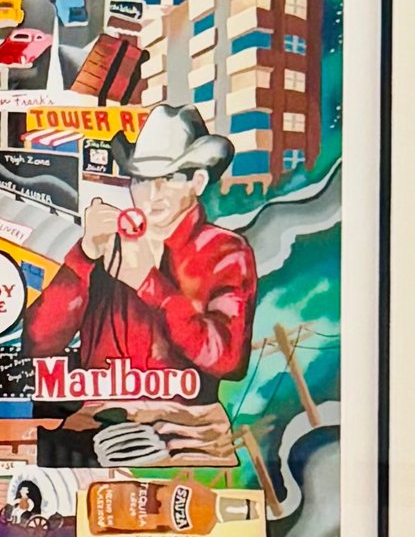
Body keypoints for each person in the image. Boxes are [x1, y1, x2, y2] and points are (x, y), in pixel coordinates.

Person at [22, 104, 258, 406]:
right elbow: (38, 344)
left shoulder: (224, 251)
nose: (153, 193)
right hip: (98, 421)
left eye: (169, 177)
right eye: (142, 179)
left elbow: (227, 359)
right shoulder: (108, 243)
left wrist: (150, 285)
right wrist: (84, 255)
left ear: (198, 182)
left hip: (184, 425)